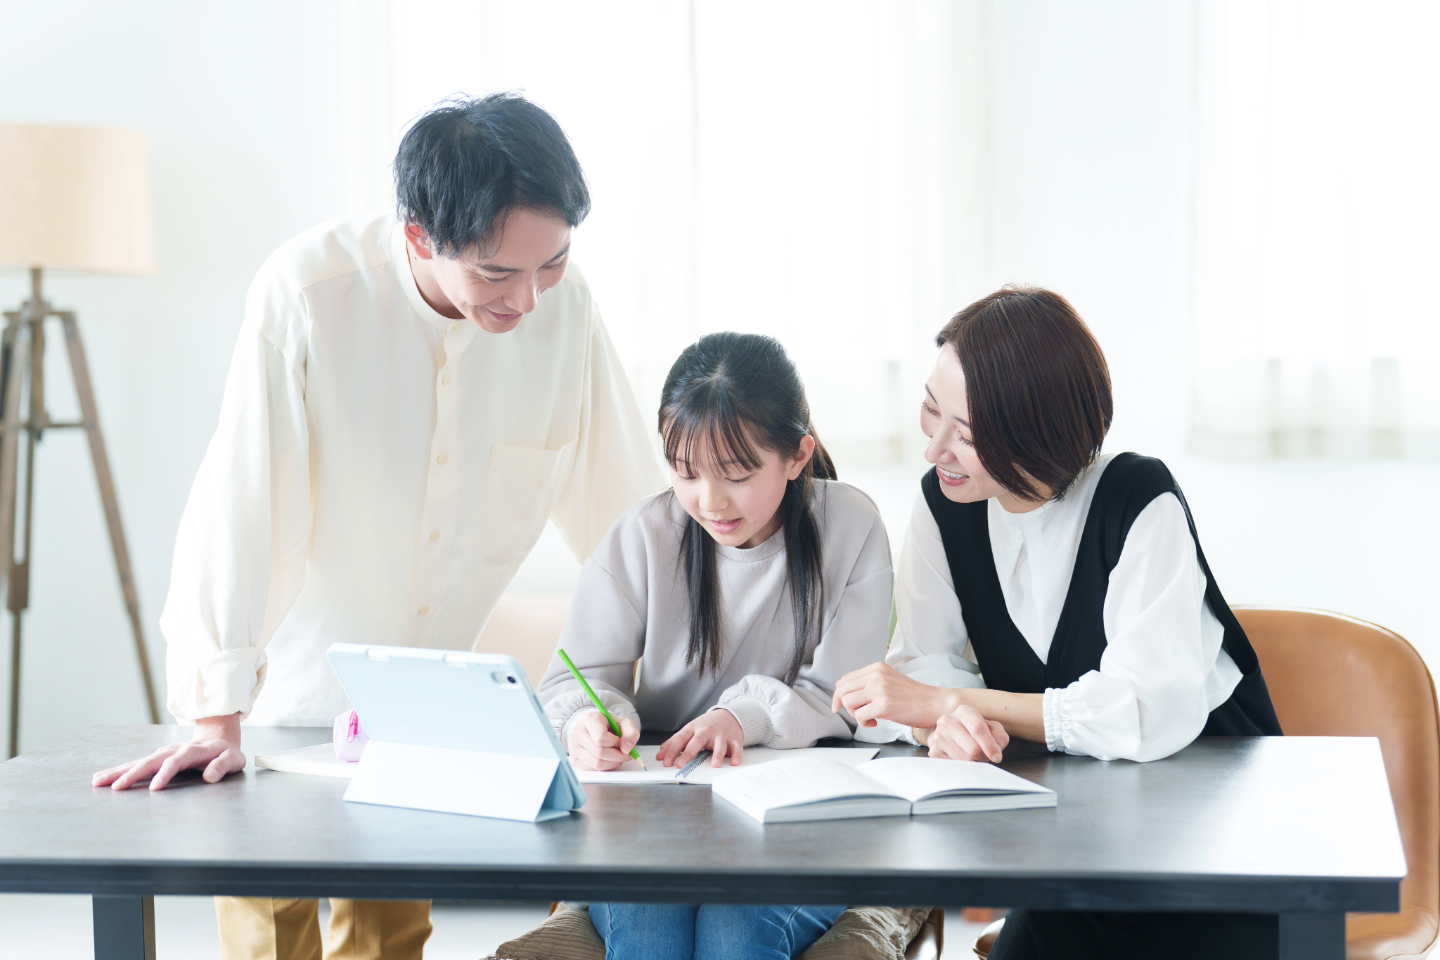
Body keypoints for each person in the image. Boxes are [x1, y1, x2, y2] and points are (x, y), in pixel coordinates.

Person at [90, 93, 666, 960]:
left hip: (427, 717)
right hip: (278, 697)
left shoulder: (564, 309)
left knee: (390, 945)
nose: (528, 301)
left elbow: (623, 513)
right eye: (496, 275)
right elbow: (247, 499)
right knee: (268, 944)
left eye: (549, 265)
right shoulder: (309, 294)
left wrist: (683, 658)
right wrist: (216, 712)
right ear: (420, 234)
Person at [831, 286, 1284, 960]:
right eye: (931, 410)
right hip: (1078, 853)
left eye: (970, 434)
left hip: (1210, 854)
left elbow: (1137, 709)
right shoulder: (945, 503)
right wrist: (948, 721)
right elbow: (925, 664)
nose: (936, 450)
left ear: (1035, 435)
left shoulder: (1137, 500)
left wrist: (949, 701)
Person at [538, 332, 892, 960]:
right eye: (685, 472)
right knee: (649, 931)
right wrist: (594, 720)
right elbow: (572, 680)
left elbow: (846, 695)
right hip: (655, 817)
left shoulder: (852, 526)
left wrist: (741, 715)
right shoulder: (646, 534)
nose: (709, 501)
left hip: (799, 812)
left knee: (738, 931)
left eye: (736, 474)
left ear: (796, 453)